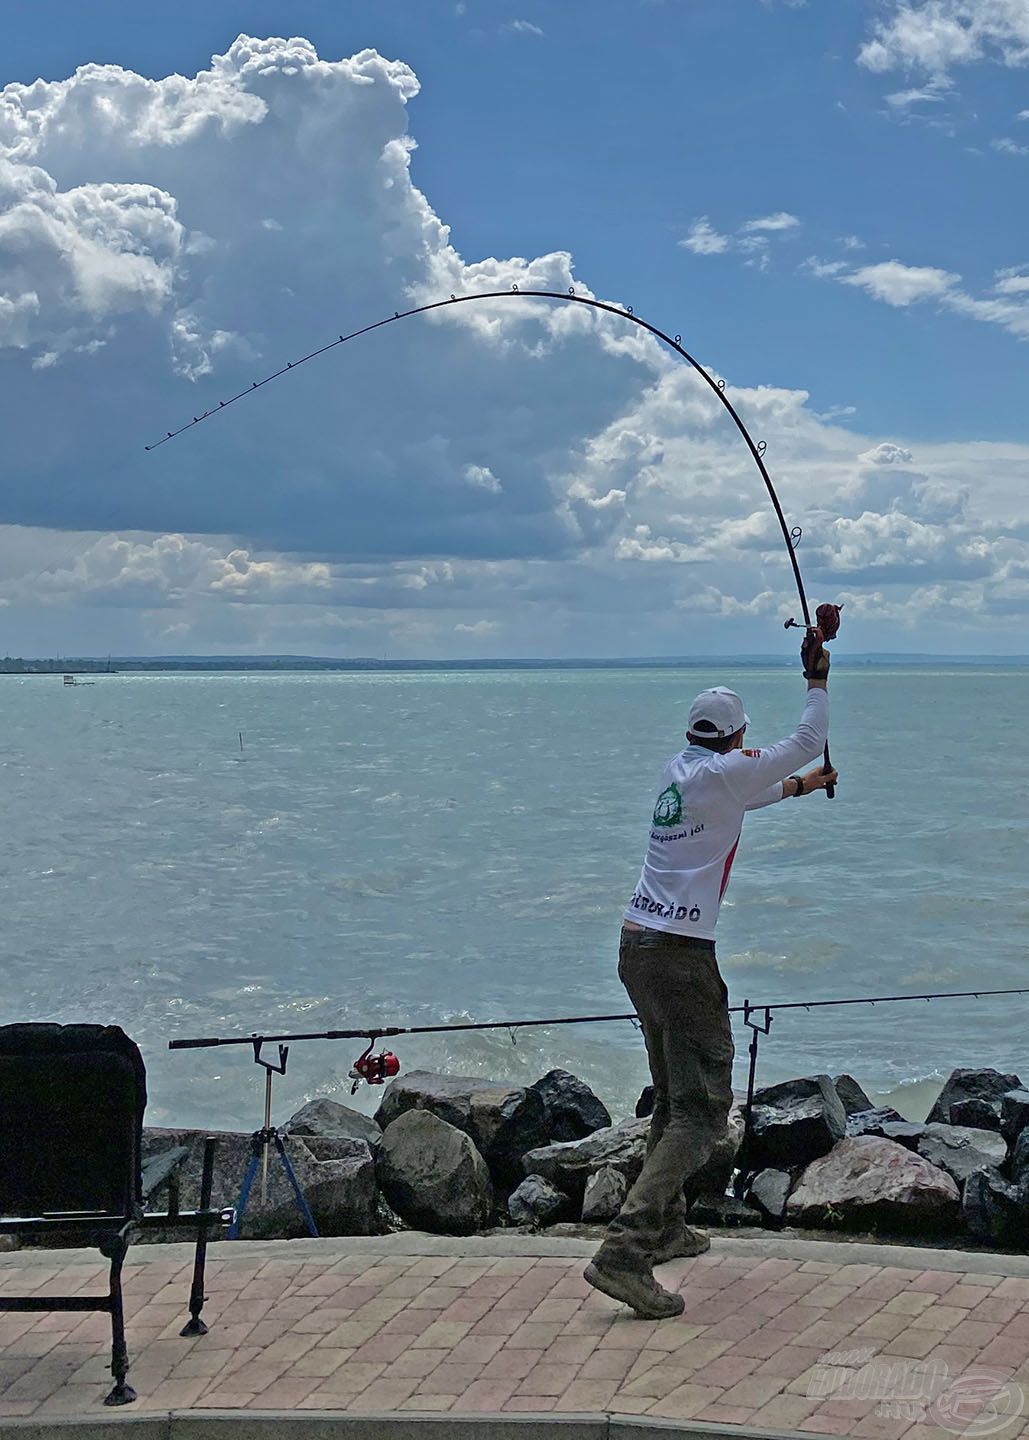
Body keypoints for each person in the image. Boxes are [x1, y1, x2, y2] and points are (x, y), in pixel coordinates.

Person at [584, 632, 837, 1319]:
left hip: (636, 947)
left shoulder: (682, 773)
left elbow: (745, 797)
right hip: (679, 957)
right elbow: (807, 738)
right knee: (701, 1114)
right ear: (737, 738)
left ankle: (663, 1226)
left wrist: (800, 788)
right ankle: (624, 1252)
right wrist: (817, 675)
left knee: (671, 1099)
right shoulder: (727, 771)